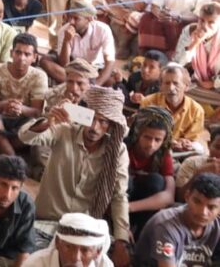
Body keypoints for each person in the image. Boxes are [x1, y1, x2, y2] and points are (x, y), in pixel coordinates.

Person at [17, 86, 130, 265]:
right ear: (82, 114)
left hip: (86, 229)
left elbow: (119, 195)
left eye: (103, 121)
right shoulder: (63, 131)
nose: (94, 127)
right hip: (46, 223)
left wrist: (121, 240)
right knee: (30, 257)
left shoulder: (117, 151)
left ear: (111, 125)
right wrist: (47, 122)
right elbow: (25, 136)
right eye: (91, 118)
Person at [0, 33, 48, 156]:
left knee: (40, 125)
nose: (21, 58)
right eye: (18, 52)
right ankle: (13, 158)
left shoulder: (39, 76)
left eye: (27, 54)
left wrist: (20, 108)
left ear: (34, 57)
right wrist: (7, 105)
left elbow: (37, 112)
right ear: (11, 53)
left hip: (23, 123)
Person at [133, 173, 220, 267]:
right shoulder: (166, 226)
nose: (203, 212)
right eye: (197, 202)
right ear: (187, 196)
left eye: (211, 207)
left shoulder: (217, 226)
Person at [125, 106, 176, 238]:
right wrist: (120, 210)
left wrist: (128, 207)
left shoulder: (163, 156)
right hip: (116, 202)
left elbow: (168, 197)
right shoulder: (123, 148)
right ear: (137, 134)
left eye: (157, 140)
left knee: (156, 181)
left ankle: (140, 237)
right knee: (126, 180)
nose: (151, 144)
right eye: (147, 137)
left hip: (139, 208)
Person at [39, 1, 115, 85]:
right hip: (72, 68)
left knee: (113, 78)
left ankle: (78, 84)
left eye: (76, 18)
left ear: (89, 19)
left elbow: (109, 60)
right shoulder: (64, 31)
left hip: (94, 68)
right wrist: (66, 41)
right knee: (45, 61)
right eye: (70, 17)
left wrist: (97, 83)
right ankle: (80, 84)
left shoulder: (103, 30)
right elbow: (64, 65)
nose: (71, 22)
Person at [140, 64, 206, 153]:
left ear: (186, 86)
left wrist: (185, 143)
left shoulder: (196, 110)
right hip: (152, 148)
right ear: (160, 86)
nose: (171, 88)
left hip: (179, 152)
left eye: (176, 83)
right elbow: (142, 132)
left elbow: (192, 139)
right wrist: (167, 143)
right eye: (167, 83)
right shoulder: (149, 102)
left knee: (199, 150)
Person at [22, 213, 113, 267]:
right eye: (69, 247)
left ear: (97, 252)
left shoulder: (104, 265)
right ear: (57, 243)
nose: (76, 258)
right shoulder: (35, 264)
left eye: (85, 250)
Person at [173, 1, 220, 91]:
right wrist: (194, 43)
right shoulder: (190, 31)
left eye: (211, 22)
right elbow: (178, 63)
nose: (204, 26)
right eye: (202, 20)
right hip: (197, 81)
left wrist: (213, 83)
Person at [176, 129, 220, 201]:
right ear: (209, 145)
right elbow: (180, 198)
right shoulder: (192, 163)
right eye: (218, 147)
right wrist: (199, 174)